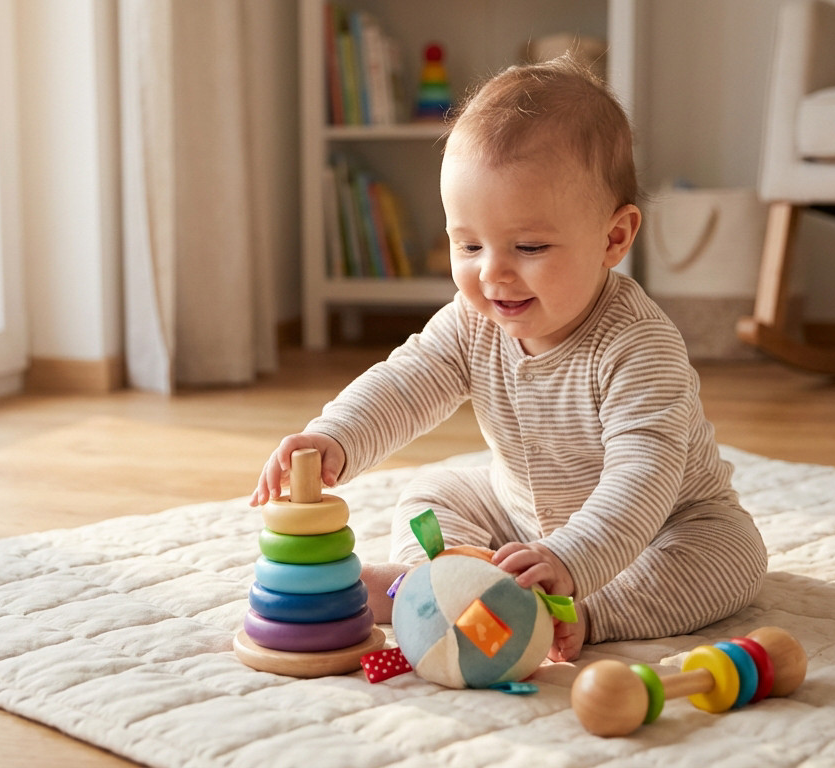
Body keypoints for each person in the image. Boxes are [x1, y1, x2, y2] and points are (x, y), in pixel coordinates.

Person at [250, 55, 766, 663]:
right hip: (521, 517)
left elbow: (642, 481)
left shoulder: (638, 346)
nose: (492, 272)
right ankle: (431, 586)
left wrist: (573, 560)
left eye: (528, 246)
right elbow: (405, 382)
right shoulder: (474, 320)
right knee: (434, 488)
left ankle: (586, 615)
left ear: (614, 238)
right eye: (468, 244)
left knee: (730, 558)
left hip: (660, 524)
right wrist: (333, 439)